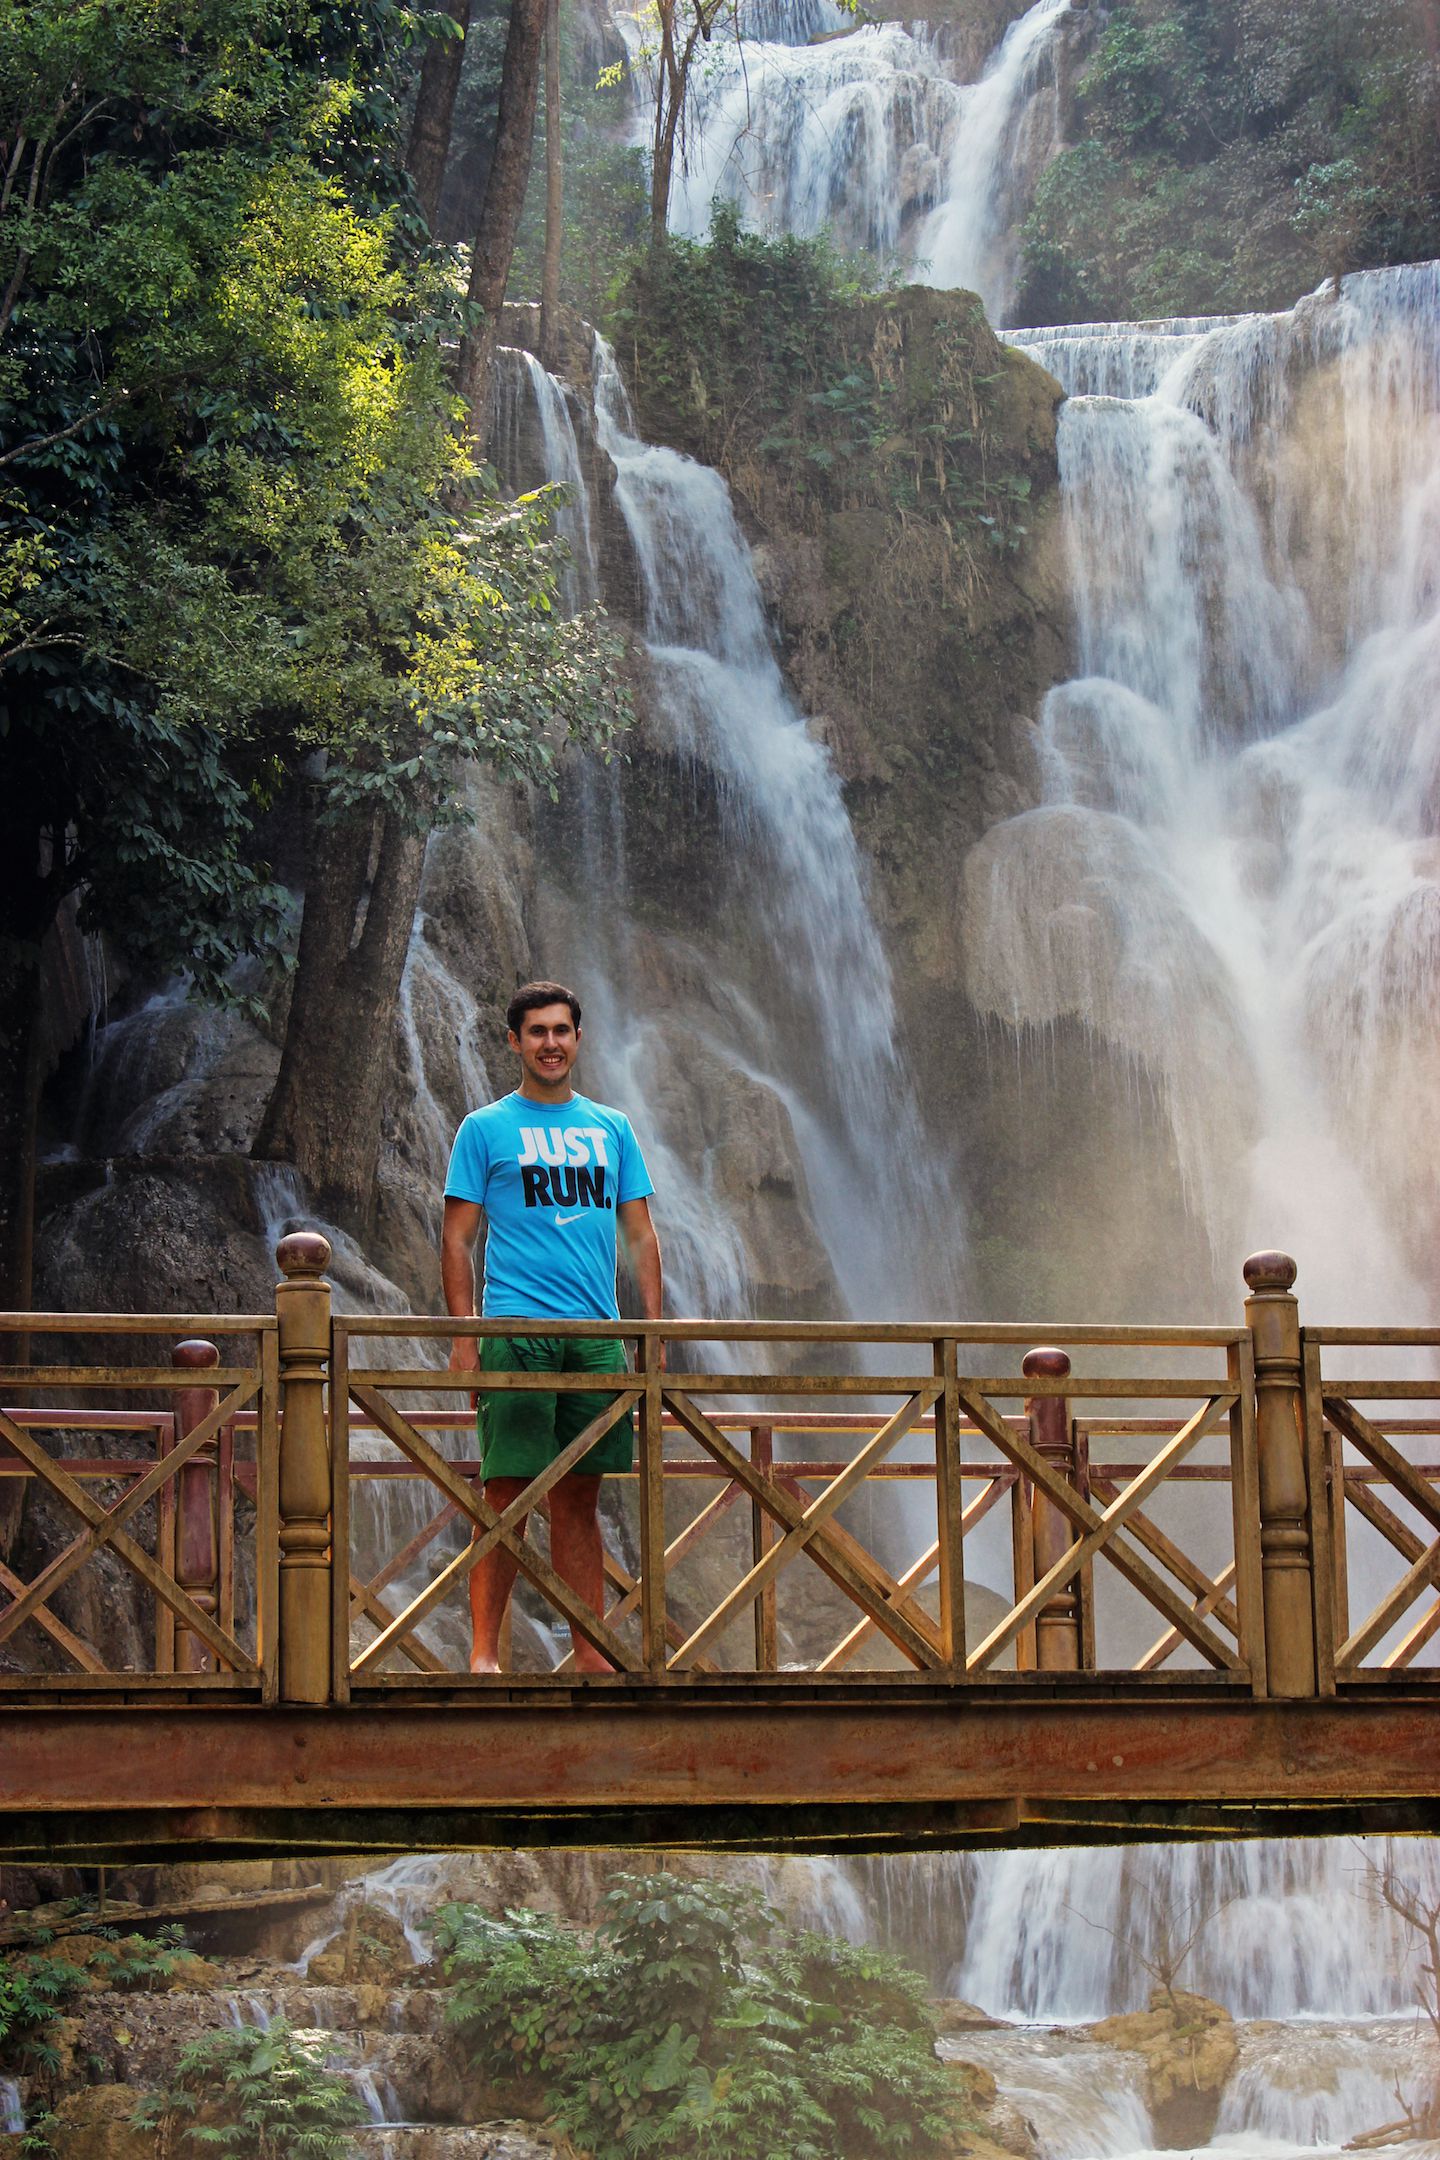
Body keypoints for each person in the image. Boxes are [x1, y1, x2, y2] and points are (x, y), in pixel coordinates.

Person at [442, 980, 663, 1673]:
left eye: (561, 1030)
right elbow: (456, 1239)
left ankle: (592, 1655)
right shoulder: (484, 1129)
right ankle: (484, 1652)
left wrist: (650, 1337)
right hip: (514, 1329)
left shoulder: (613, 1129)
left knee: (579, 1500)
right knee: (505, 1491)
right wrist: (465, 1336)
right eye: (536, 1031)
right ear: (514, 1042)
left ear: (578, 1038)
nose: (550, 1043)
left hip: (595, 1337)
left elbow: (641, 1235)